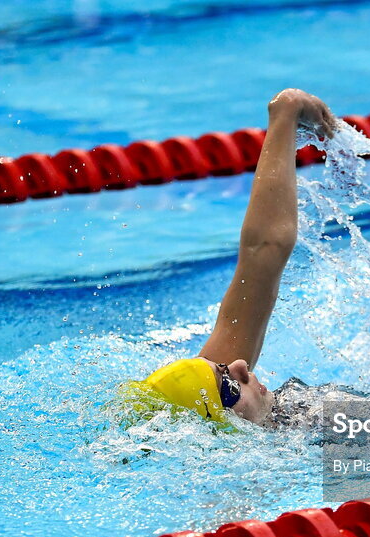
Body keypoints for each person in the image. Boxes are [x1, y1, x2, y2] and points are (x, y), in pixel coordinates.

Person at [130, 89, 336, 427]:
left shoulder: (220, 408)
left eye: (223, 370)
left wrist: (286, 114)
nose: (240, 366)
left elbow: (264, 249)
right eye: (227, 386)